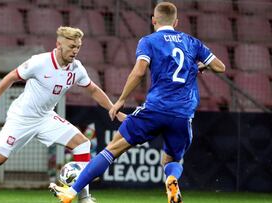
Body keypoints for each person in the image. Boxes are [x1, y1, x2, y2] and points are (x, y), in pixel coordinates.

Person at [49, 2, 226, 203]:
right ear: (176, 22)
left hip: (156, 109)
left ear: (153, 20)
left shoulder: (148, 41)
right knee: (171, 160)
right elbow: (220, 67)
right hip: (183, 114)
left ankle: (70, 193)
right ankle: (171, 180)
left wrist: (121, 100)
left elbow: (139, 71)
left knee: (112, 149)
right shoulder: (192, 42)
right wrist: (199, 66)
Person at [0, 26, 125, 203]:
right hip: (21, 118)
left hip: (45, 118)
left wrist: (113, 109)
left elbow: (93, 90)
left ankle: (84, 197)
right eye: (71, 46)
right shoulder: (39, 62)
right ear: (58, 44)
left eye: (78, 47)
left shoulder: (76, 68)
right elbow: (11, 77)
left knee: (83, 144)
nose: (75, 51)